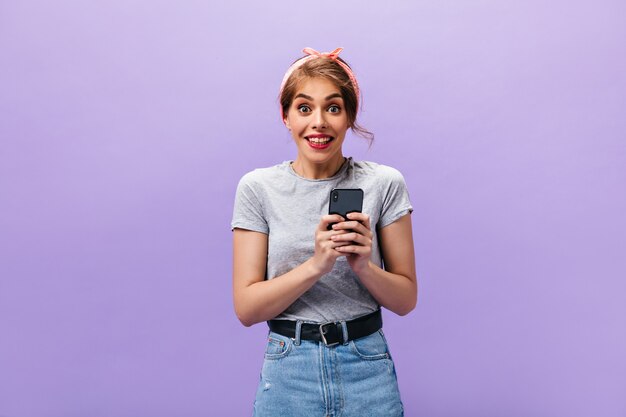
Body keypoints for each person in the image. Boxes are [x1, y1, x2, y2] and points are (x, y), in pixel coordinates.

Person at [231, 47, 417, 417]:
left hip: (367, 366)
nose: (319, 122)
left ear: (349, 117)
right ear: (285, 116)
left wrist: (363, 265)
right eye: (304, 108)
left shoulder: (383, 183)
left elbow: (405, 300)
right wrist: (317, 264)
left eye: (333, 108)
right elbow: (247, 309)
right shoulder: (257, 188)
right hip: (289, 370)